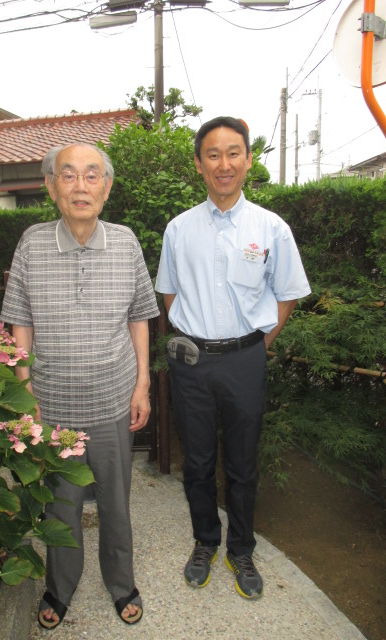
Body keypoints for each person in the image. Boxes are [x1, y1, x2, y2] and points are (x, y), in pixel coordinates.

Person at [1, 142, 159, 628]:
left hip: (114, 400)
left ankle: (121, 583)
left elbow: (139, 318)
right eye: (68, 175)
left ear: (106, 188)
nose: (80, 186)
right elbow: (21, 322)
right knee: (61, 506)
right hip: (53, 408)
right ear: (51, 187)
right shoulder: (31, 243)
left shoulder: (126, 242)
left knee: (115, 503)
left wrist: (142, 385)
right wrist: (25, 392)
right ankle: (60, 587)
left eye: (92, 175)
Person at [155, 116, 311, 600]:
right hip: (192, 363)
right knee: (198, 462)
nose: (224, 164)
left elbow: (287, 294)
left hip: (246, 359)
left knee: (243, 463)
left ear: (248, 160)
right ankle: (205, 541)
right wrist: (196, 336)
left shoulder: (271, 228)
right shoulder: (179, 229)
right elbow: (169, 294)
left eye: (233, 153)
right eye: (213, 154)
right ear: (199, 164)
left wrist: (257, 346)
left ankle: (241, 548)